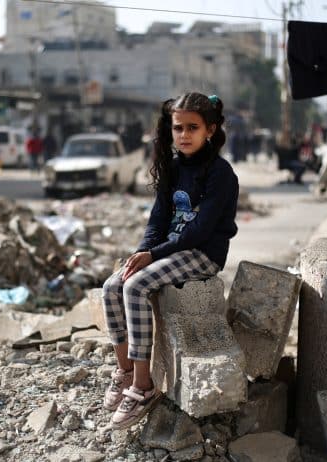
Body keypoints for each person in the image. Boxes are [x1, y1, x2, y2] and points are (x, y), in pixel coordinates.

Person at [101, 92, 239, 429]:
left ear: (211, 129)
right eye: (178, 128)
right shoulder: (173, 168)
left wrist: (154, 255)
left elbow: (200, 230)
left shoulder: (221, 173)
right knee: (112, 285)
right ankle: (126, 371)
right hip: (171, 250)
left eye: (193, 127)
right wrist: (141, 252)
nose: (184, 135)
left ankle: (142, 386)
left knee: (134, 287)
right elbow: (157, 221)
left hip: (203, 254)